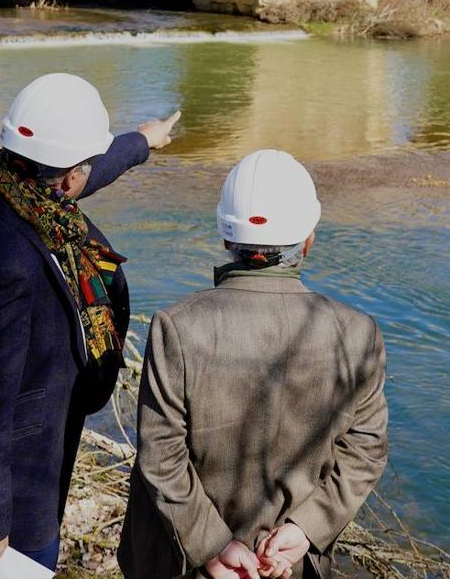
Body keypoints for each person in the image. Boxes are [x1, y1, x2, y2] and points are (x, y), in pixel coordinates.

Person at [0, 72, 180, 571]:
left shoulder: (2, 181)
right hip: (16, 469)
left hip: (33, 439)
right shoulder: (7, 259)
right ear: (69, 178)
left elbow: (86, 165)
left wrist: (142, 141)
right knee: (29, 565)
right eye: (83, 169)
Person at [118, 149, 388, 579]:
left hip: (183, 560)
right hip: (290, 563)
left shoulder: (177, 327)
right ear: (308, 240)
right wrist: (306, 529)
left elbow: (160, 455)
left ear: (227, 238)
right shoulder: (357, 333)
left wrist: (212, 545)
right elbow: (366, 449)